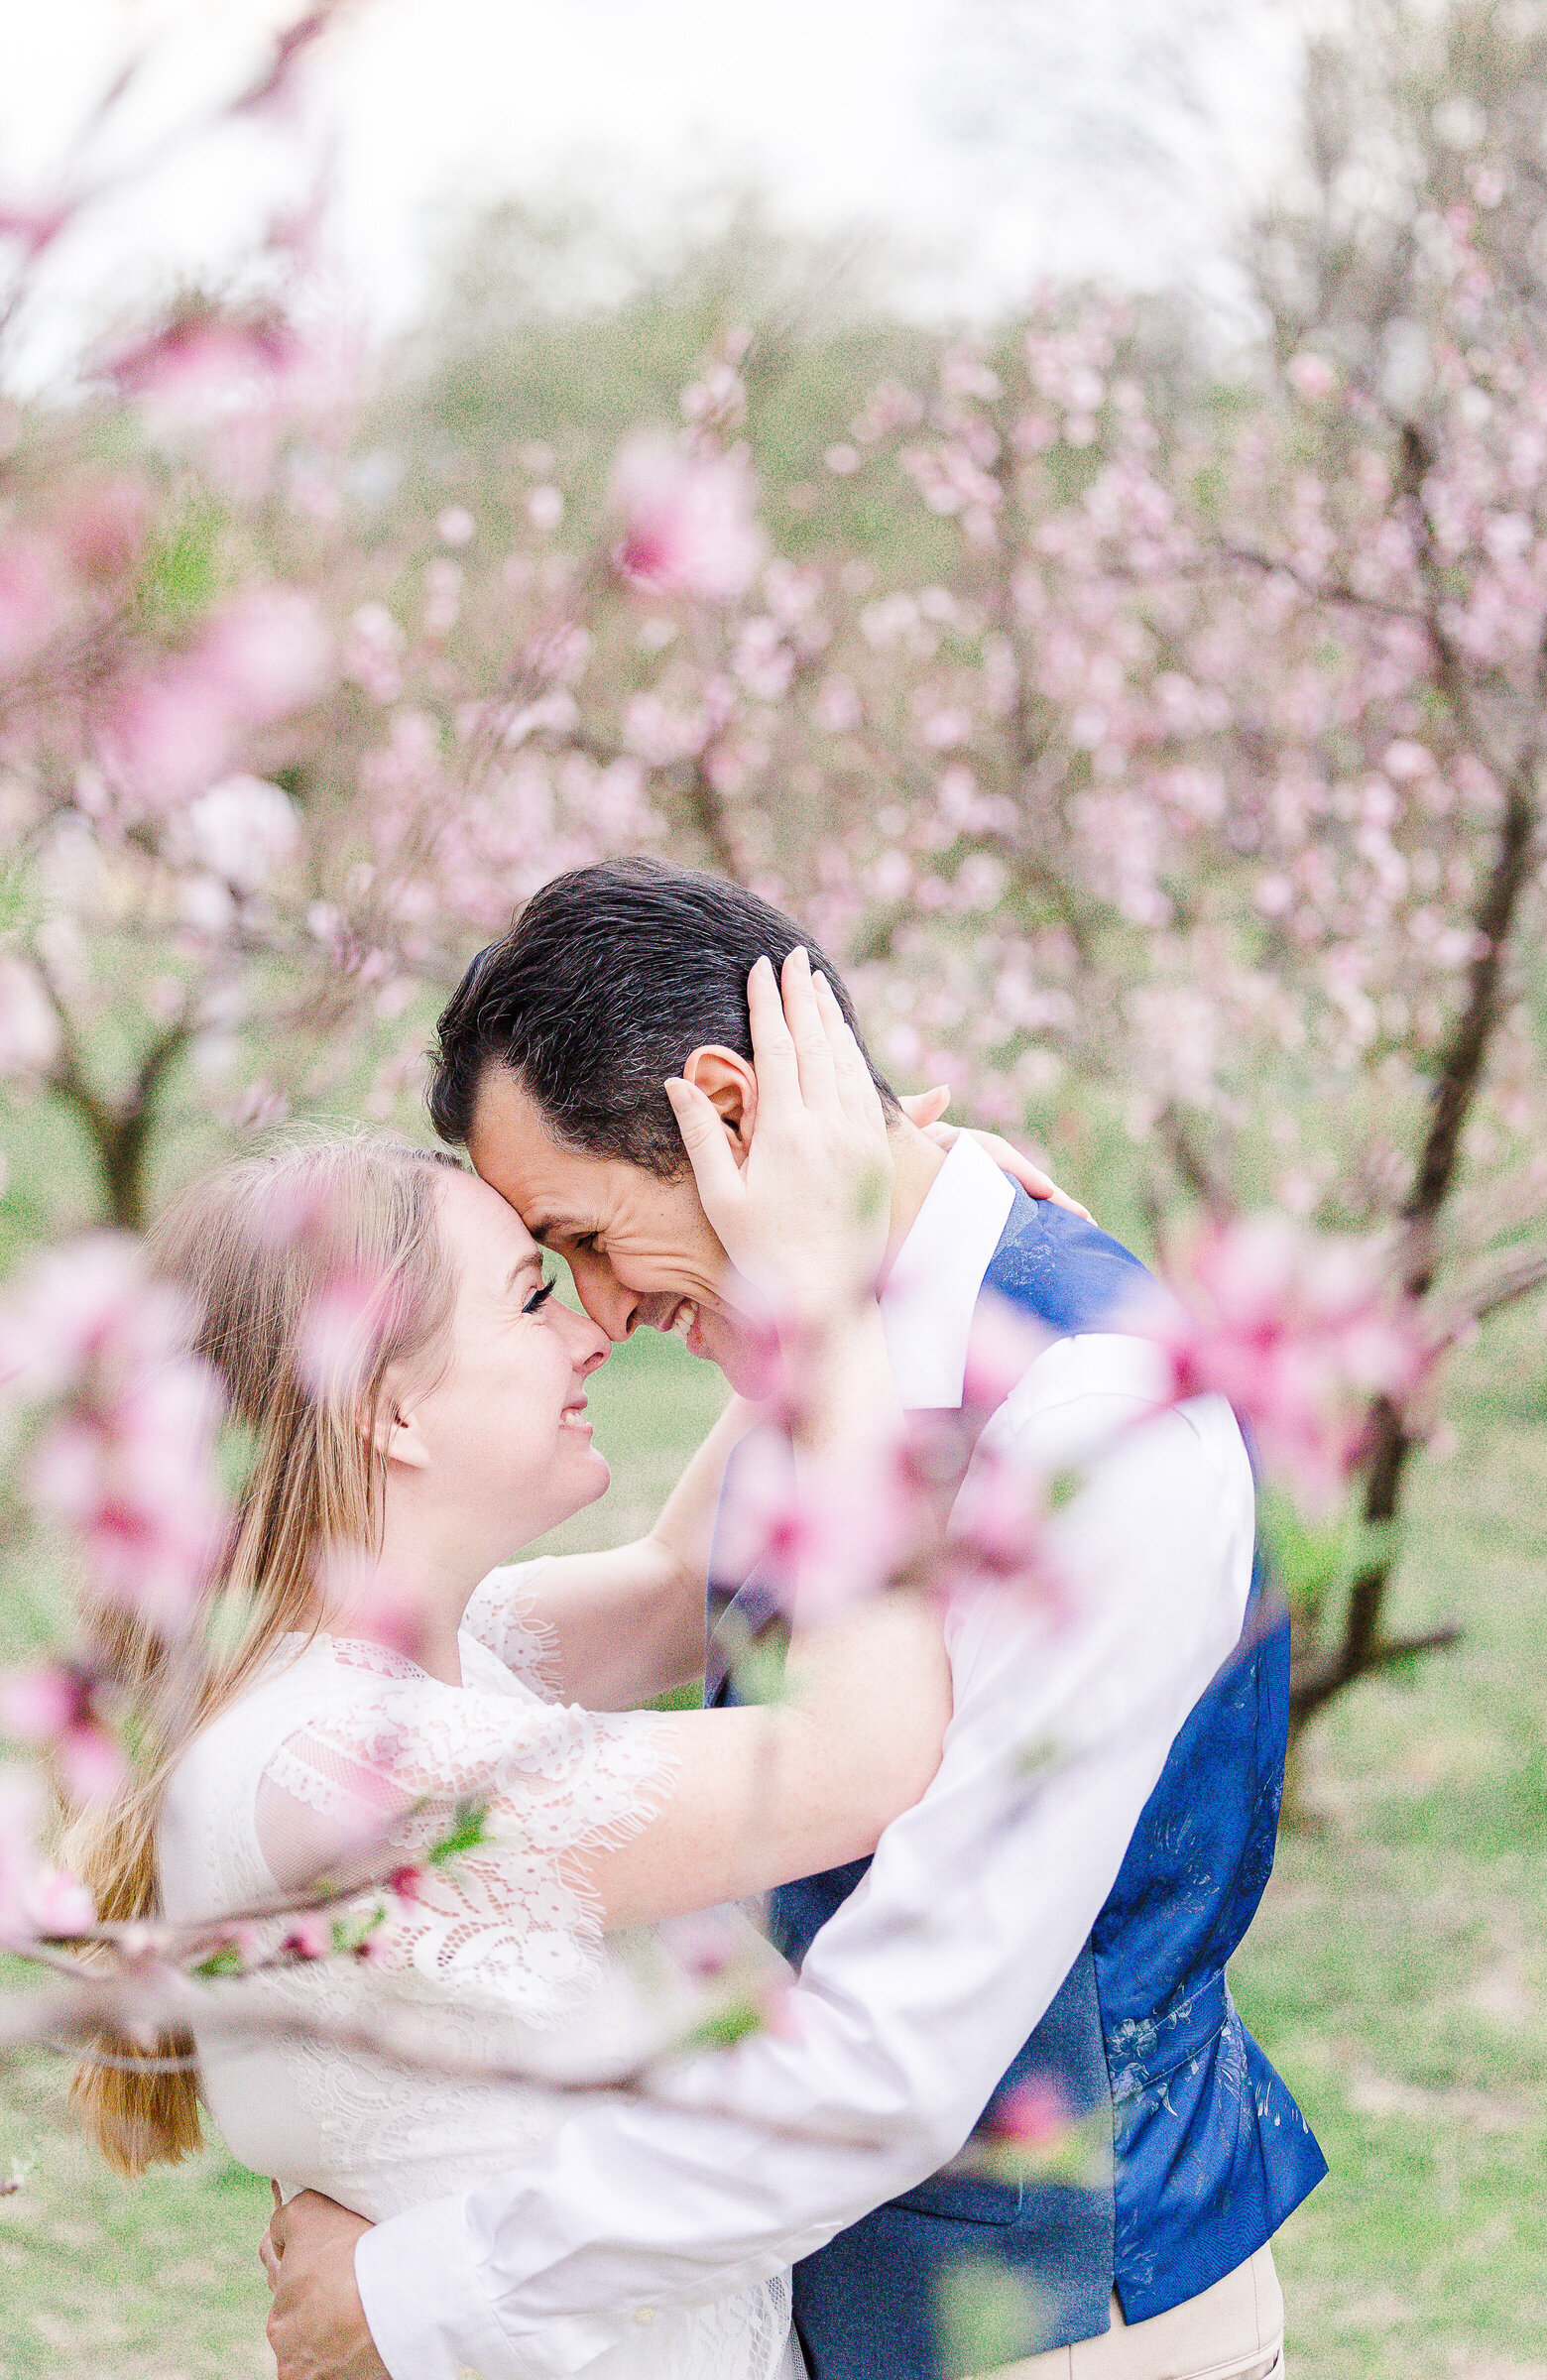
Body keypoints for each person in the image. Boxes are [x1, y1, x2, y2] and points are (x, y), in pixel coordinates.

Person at [265, 860, 1325, 2380]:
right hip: (833, 2294)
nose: (601, 1312)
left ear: (729, 1111)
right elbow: (648, 1610)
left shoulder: (1090, 1423)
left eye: (583, 1234)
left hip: (1050, 2328)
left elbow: (910, 2047)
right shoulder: (834, 1335)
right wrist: (281, 1691)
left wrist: (423, 2297)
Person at [68, 978, 961, 2380]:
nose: (594, 1326)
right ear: (390, 1406)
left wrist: (850, 1225)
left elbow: (681, 1588)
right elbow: (858, 1761)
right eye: (533, 1293)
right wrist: (841, 1312)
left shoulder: (416, 1662)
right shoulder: (340, 1772)